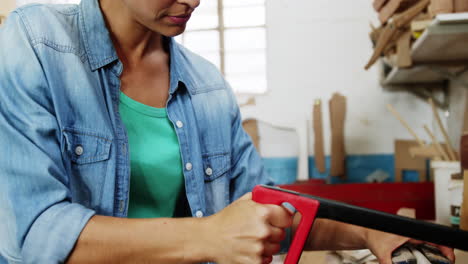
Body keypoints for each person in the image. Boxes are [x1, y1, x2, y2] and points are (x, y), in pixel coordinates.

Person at [0, 0, 455, 263]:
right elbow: (35, 233)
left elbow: (263, 211)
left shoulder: (207, 86)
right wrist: (208, 235)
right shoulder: (36, 43)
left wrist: (371, 234)